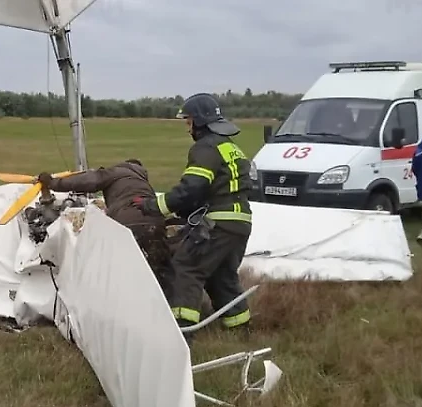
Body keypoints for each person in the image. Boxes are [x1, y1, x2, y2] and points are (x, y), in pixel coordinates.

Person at [135, 92, 257, 332]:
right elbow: (210, 191)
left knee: (186, 270)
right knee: (222, 277)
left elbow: (191, 189)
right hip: (239, 223)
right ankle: (240, 330)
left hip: (218, 224)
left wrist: (153, 207)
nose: (187, 128)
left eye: (188, 121)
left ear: (200, 121)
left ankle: (181, 332)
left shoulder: (205, 148)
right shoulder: (230, 148)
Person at [36, 160, 172, 292]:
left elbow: (90, 181)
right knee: (157, 272)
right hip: (156, 223)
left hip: (127, 224)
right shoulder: (142, 182)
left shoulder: (118, 172)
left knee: (123, 273)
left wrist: (53, 183)